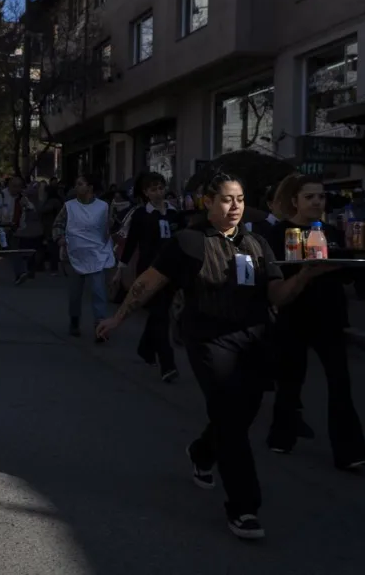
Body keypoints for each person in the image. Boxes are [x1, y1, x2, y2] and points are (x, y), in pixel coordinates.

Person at [96, 171, 338, 540]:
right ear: (208, 202)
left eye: (240, 200)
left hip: (255, 340)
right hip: (209, 340)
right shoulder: (188, 241)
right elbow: (149, 280)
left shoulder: (258, 243)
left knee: (240, 415)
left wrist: (304, 276)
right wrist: (118, 317)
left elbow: (277, 296)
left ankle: (202, 451)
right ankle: (244, 507)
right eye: (226, 199)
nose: (234, 207)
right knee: (229, 416)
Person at [264, 174, 365, 469]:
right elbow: (275, 277)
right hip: (294, 316)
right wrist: (308, 273)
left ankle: (351, 454)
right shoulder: (279, 233)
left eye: (321, 197)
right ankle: (281, 436)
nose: (316, 202)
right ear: (295, 200)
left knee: (340, 384)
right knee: (290, 382)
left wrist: (347, 258)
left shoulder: (332, 231)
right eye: (310, 197)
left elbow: (349, 274)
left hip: (330, 318)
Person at [117, 172, 185, 382]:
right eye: (153, 189)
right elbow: (131, 243)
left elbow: (182, 241)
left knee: (160, 313)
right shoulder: (140, 215)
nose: (158, 193)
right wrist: (120, 268)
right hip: (149, 271)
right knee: (160, 315)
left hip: (171, 271)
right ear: (145, 193)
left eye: (160, 188)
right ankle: (168, 364)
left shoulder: (174, 214)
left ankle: (145, 348)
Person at [52, 174, 116, 338]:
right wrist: (60, 239)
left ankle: (100, 325)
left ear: (90, 187)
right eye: (76, 184)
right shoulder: (69, 206)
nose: (76, 187)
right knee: (75, 293)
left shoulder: (103, 207)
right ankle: (74, 321)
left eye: (80, 184)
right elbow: (58, 224)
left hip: (96, 254)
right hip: (74, 255)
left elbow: (112, 226)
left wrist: (113, 228)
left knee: (99, 292)